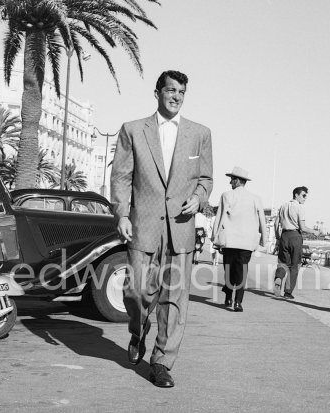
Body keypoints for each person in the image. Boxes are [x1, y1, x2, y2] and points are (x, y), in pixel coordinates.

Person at [110, 70, 213, 388]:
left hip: (181, 229)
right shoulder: (132, 130)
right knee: (136, 291)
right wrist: (122, 215)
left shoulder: (200, 133)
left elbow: (205, 179)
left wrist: (198, 199)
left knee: (174, 298)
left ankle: (162, 363)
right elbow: (121, 176)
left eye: (182, 92)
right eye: (171, 90)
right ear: (157, 93)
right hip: (143, 225)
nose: (177, 96)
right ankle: (137, 331)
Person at [212, 167, 266, 312]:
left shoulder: (227, 195)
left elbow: (219, 217)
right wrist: (263, 240)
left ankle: (228, 297)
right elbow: (262, 221)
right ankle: (238, 302)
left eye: (232, 179)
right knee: (242, 271)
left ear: (236, 181)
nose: (230, 182)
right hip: (246, 242)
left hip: (229, 241)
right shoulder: (256, 198)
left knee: (228, 270)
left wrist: (214, 237)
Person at [273, 186, 319, 299]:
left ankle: (279, 277)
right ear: (296, 195)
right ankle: (288, 292)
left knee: (283, 263)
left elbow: (276, 223)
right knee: (295, 266)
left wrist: (278, 238)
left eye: (306, 196)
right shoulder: (300, 207)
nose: (305, 198)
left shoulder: (283, 206)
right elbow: (302, 227)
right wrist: (314, 232)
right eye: (303, 195)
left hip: (284, 236)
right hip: (295, 236)